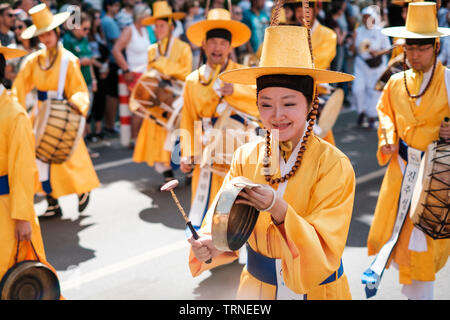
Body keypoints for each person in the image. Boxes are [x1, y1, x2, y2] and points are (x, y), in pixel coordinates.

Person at [187, 23, 356, 300]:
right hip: (257, 289)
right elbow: (224, 215)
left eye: (289, 104)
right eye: (265, 104)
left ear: (311, 102)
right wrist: (211, 242)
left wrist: (277, 208)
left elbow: (326, 246)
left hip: (317, 291)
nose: (276, 115)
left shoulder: (333, 164)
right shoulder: (246, 155)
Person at [362, 2, 450, 300]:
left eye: (420, 49)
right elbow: (384, 113)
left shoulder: (449, 81)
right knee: (395, 239)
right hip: (400, 169)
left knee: (421, 242)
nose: (413, 55)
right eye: (408, 49)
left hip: (434, 176)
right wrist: (387, 136)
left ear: (436, 47)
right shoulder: (396, 82)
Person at [12, 3, 100, 219]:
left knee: (71, 155)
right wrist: (15, 110)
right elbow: (19, 88)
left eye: (49, 33)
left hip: (63, 114)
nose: (46, 38)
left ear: (57, 31)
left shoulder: (68, 60)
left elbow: (79, 89)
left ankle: (82, 190)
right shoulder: (33, 60)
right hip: (41, 113)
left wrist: (77, 103)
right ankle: (52, 202)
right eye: (41, 35)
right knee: (37, 158)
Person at [180, 8, 259, 231]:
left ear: (230, 46)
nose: (217, 47)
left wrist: (237, 91)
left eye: (223, 43)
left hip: (238, 150)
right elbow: (188, 119)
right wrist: (187, 151)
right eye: (212, 42)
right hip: (207, 151)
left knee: (237, 206)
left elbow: (261, 105)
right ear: (204, 44)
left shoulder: (243, 75)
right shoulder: (192, 80)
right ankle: (209, 249)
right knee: (205, 209)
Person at [0, 42, 51, 293]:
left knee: (13, 277)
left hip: (9, 208)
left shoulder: (14, 114)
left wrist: (22, 217)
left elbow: (22, 170)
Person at [130, 1, 192, 185]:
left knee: (181, 131)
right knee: (157, 131)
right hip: (159, 97)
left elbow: (186, 73)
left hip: (179, 96)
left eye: (162, 25)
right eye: (156, 26)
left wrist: (162, 66)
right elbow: (151, 74)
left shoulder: (183, 47)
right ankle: (167, 173)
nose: (158, 29)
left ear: (171, 26)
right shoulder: (152, 49)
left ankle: (187, 168)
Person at [292, 0, 338, 146]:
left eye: (306, 9)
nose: (301, 14)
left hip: (317, 93)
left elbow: (319, 62)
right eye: (298, 10)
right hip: (294, 91)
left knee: (321, 141)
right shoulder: (291, 34)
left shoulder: (328, 34)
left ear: (315, 10)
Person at [112, 2, 151, 148]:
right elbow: (116, 50)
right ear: (141, 16)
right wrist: (126, 69)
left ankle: (141, 138)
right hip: (134, 74)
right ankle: (134, 139)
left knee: (145, 108)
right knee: (139, 108)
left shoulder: (145, 30)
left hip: (146, 74)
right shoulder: (130, 30)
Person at [352, 6, 390, 129]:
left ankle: (372, 117)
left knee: (374, 92)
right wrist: (352, 40)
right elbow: (352, 50)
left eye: (369, 17)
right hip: (361, 65)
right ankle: (361, 112)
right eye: (364, 17)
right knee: (357, 90)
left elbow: (388, 48)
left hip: (376, 66)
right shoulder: (358, 31)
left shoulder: (380, 31)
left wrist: (376, 53)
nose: (366, 19)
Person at [101, 0, 121, 137]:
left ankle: (110, 124)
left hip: (110, 62)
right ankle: (110, 125)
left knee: (112, 95)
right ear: (109, 6)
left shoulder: (108, 21)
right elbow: (117, 42)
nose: (118, 8)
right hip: (112, 63)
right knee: (112, 95)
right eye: (115, 5)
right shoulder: (108, 21)